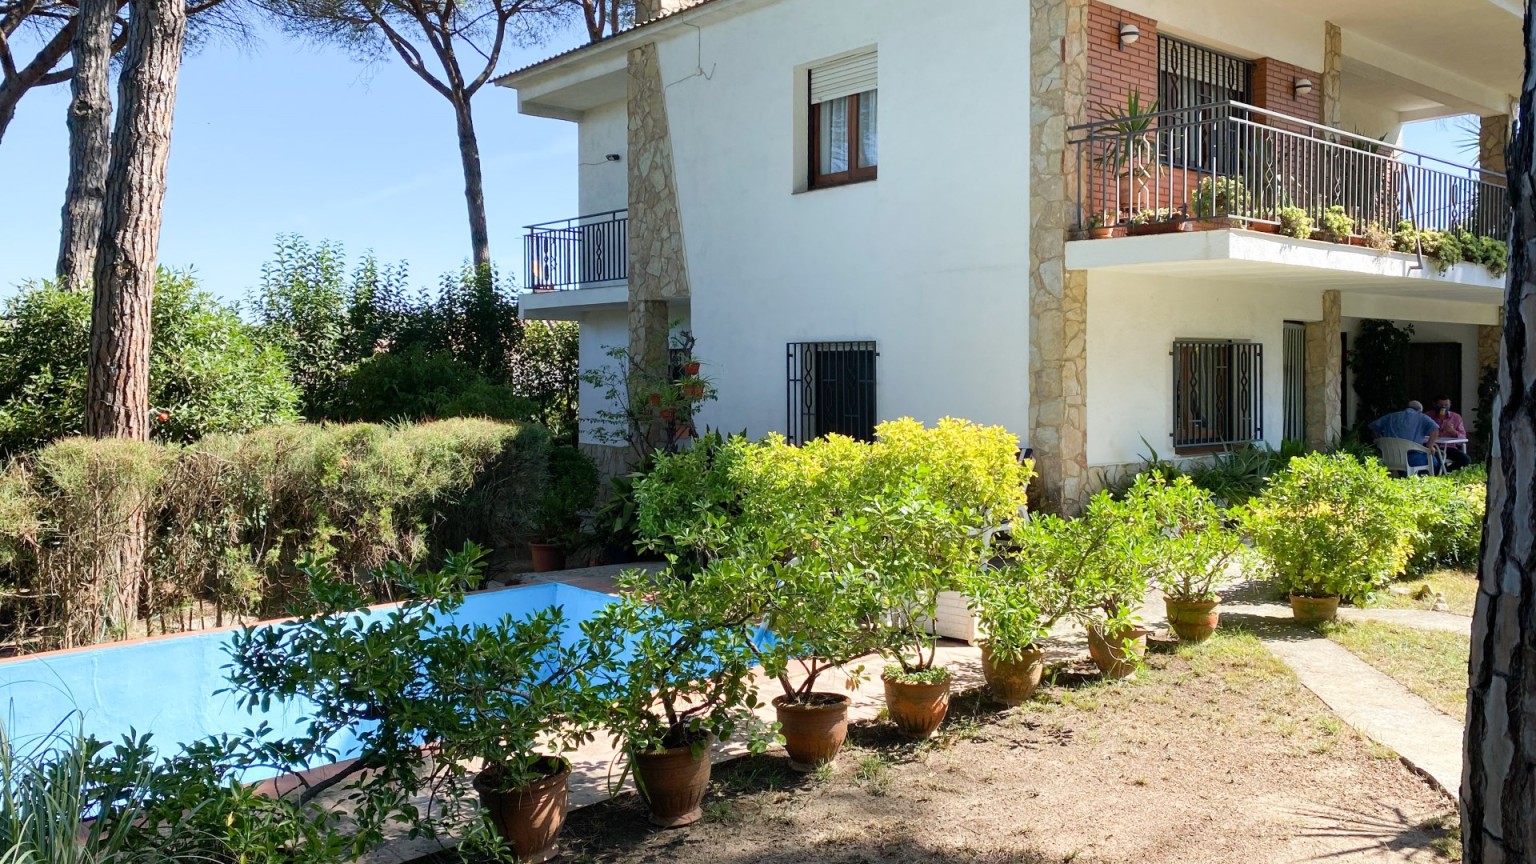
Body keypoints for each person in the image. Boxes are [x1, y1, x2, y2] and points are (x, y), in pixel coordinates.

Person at [1368, 400, 1441, 473]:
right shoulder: (1421, 417)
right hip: (1412, 457)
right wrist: (1430, 445)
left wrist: (1378, 440)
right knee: (1433, 461)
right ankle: (1415, 479)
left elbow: (1373, 427)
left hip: (1389, 456)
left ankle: (1402, 476)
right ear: (1419, 410)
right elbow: (1435, 429)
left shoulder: (1391, 416)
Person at [1430, 395, 1471, 471]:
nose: (1443, 407)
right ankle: (1439, 475)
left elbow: (1463, 437)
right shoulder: (1428, 416)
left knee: (1465, 459)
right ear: (1435, 405)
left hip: (1450, 447)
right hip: (1433, 447)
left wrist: (1453, 432)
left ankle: (1446, 473)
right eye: (1441, 405)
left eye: (1446, 405)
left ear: (1450, 405)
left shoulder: (1456, 417)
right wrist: (1440, 432)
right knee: (1438, 459)